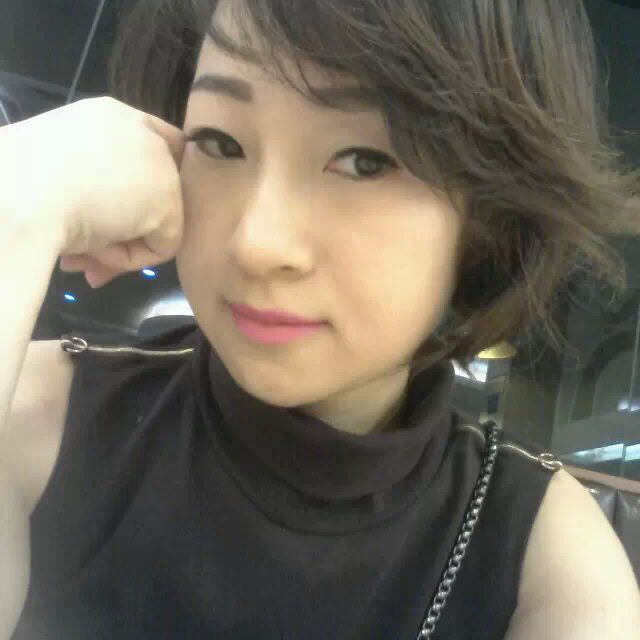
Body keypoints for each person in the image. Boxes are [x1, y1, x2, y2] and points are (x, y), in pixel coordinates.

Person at [1, 0, 639, 638]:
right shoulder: (35, 415)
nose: (257, 243)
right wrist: (17, 210)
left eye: (365, 161)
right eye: (220, 143)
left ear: (486, 219)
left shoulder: (544, 553)